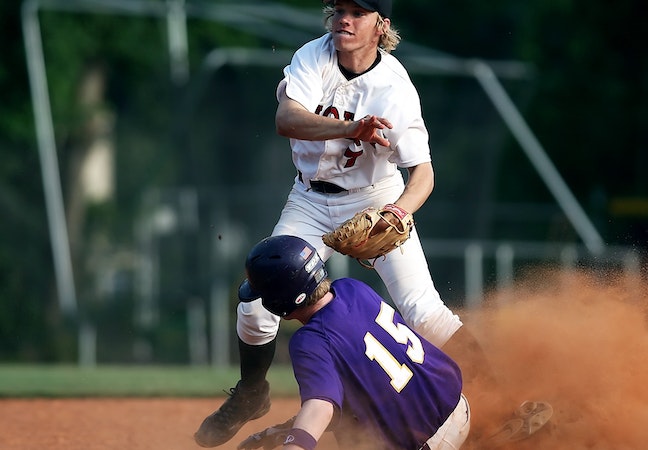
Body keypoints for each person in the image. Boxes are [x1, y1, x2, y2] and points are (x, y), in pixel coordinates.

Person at [195, 0, 530, 447]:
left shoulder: (395, 87)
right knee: (256, 303)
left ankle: (506, 408)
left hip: (376, 198)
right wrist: (352, 129)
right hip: (310, 200)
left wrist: (397, 212)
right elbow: (286, 119)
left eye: (359, 12)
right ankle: (251, 392)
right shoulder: (313, 56)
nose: (344, 19)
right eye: (339, 9)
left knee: (423, 310)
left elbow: (423, 175)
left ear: (381, 26)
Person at [234, 235, 471, 450]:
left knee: (355, 438)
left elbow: (321, 407)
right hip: (459, 408)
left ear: (278, 303)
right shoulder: (353, 288)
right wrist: (283, 431)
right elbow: (355, 391)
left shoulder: (308, 341)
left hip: (426, 443)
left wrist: (294, 446)